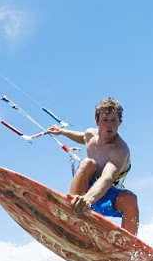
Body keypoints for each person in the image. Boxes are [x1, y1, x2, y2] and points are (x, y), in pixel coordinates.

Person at [47, 97, 139, 235]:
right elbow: (83, 137)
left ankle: (127, 249)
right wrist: (62, 132)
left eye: (113, 120)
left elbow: (107, 178)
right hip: (81, 194)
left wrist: (88, 199)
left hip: (101, 195)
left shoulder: (120, 151)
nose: (109, 125)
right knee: (88, 163)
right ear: (97, 121)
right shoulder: (91, 134)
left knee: (130, 199)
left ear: (120, 122)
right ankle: (71, 213)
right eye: (105, 119)